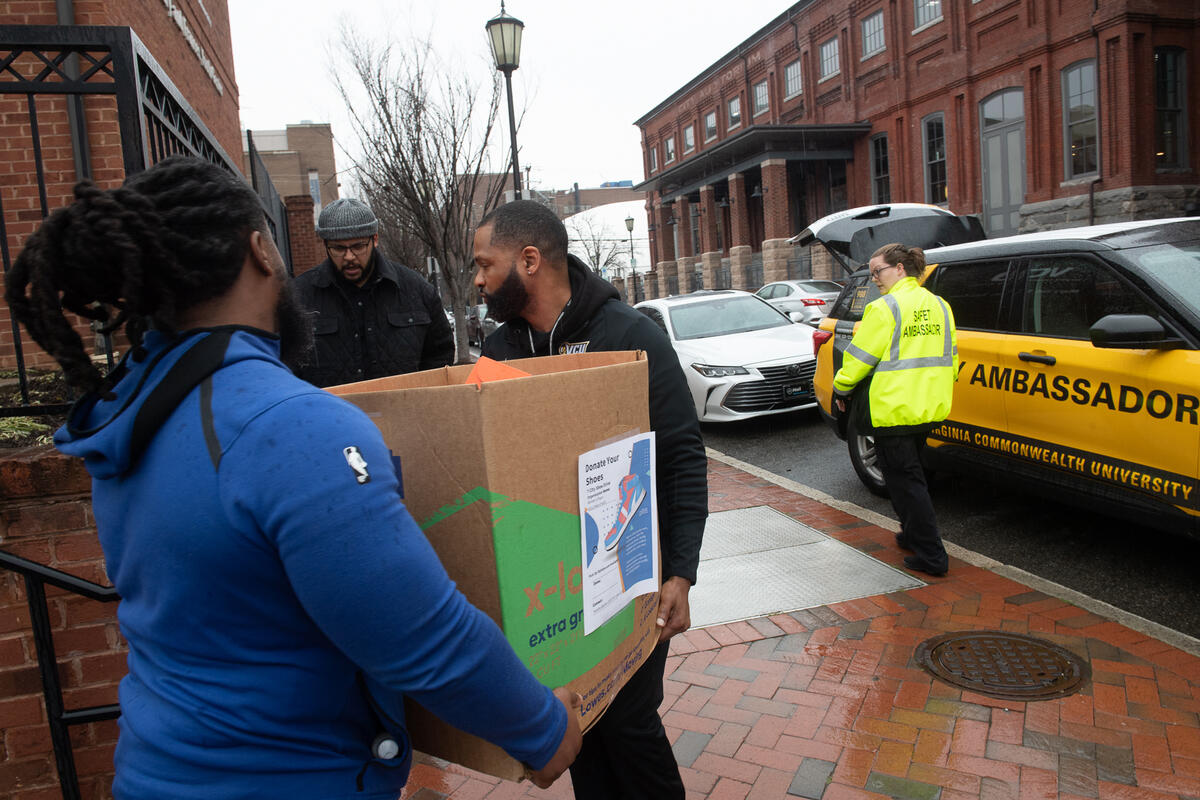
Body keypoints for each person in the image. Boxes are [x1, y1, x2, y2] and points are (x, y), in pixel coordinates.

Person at [5, 157, 580, 799]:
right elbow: (421, 635)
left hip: (157, 771)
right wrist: (543, 728)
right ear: (259, 251)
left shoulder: (132, 417)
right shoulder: (291, 426)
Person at [472, 200, 708, 800]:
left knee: (628, 725)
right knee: (581, 733)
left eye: (484, 264)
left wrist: (680, 571)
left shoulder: (629, 335)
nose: (477, 279)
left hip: (627, 580)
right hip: (553, 596)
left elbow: (681, 455)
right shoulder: (498, 356)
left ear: (529, 261)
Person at [832, 243, 957, 577]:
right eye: (872, 273)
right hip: (927, 406)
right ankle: (911, 534)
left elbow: (859, 359)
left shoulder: (885, 308)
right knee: (908, 476)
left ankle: (932, 555)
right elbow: (951, 355)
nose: (874, 279)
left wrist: (840, 388)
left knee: (906, 483)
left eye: (878, 271)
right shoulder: (940, 305)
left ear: (900, 268)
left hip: (894, 409)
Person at [292, 197, 454, 387]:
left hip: (404, 412)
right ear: (325, 245)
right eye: (338, 248)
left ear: (374, 239)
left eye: (358, 246)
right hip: (330, 415)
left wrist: (420, 399)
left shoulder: (417, 290)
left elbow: (440, 356)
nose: (349, 257)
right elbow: (286, 366)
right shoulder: (299, 297)